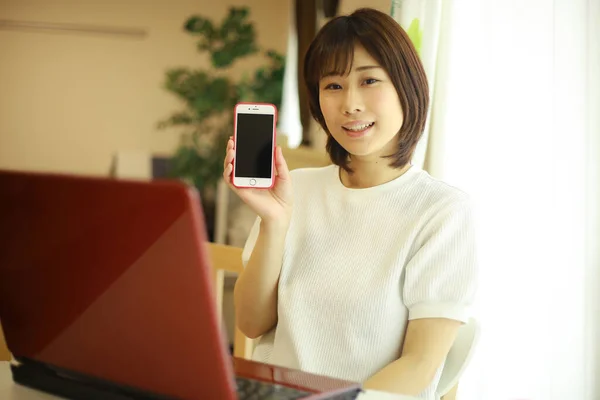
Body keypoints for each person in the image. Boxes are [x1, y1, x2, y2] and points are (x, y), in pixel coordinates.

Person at [223, 7, 477, 399]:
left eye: (369, 80)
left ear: (406, 87)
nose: (350, 104)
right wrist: (275, 222)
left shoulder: (440, 211)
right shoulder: (297, 191)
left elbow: (420, 365)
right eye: (333, 86)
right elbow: (252, 323)